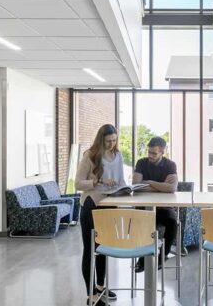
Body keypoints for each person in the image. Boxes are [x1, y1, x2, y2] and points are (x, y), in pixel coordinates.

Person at [75, 124, 126, 305]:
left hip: (110, 204)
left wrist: (127, 189)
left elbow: (121, 181)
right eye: (108, 141)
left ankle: (100, 286)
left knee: (103, 248)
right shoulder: (90, 155)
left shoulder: (118, 155)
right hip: (92, 204)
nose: (111, 144)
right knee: (90, 249)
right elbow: (78, 183)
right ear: (101, 140)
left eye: (114, 140)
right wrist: (98, 181)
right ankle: (91, 295)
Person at [132, 136, 178, 273]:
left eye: (154, 153)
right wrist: (161, 185)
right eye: (149, 152)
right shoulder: (141, 162)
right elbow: (136, 186)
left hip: (163, 208)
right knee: (141, 219)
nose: (150, 156)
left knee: (172, 221)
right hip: (143, 207)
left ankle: (162, 255)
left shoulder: (170, 165)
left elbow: (171, 188)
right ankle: (142, 256)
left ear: (162, 152)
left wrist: (149, 182)